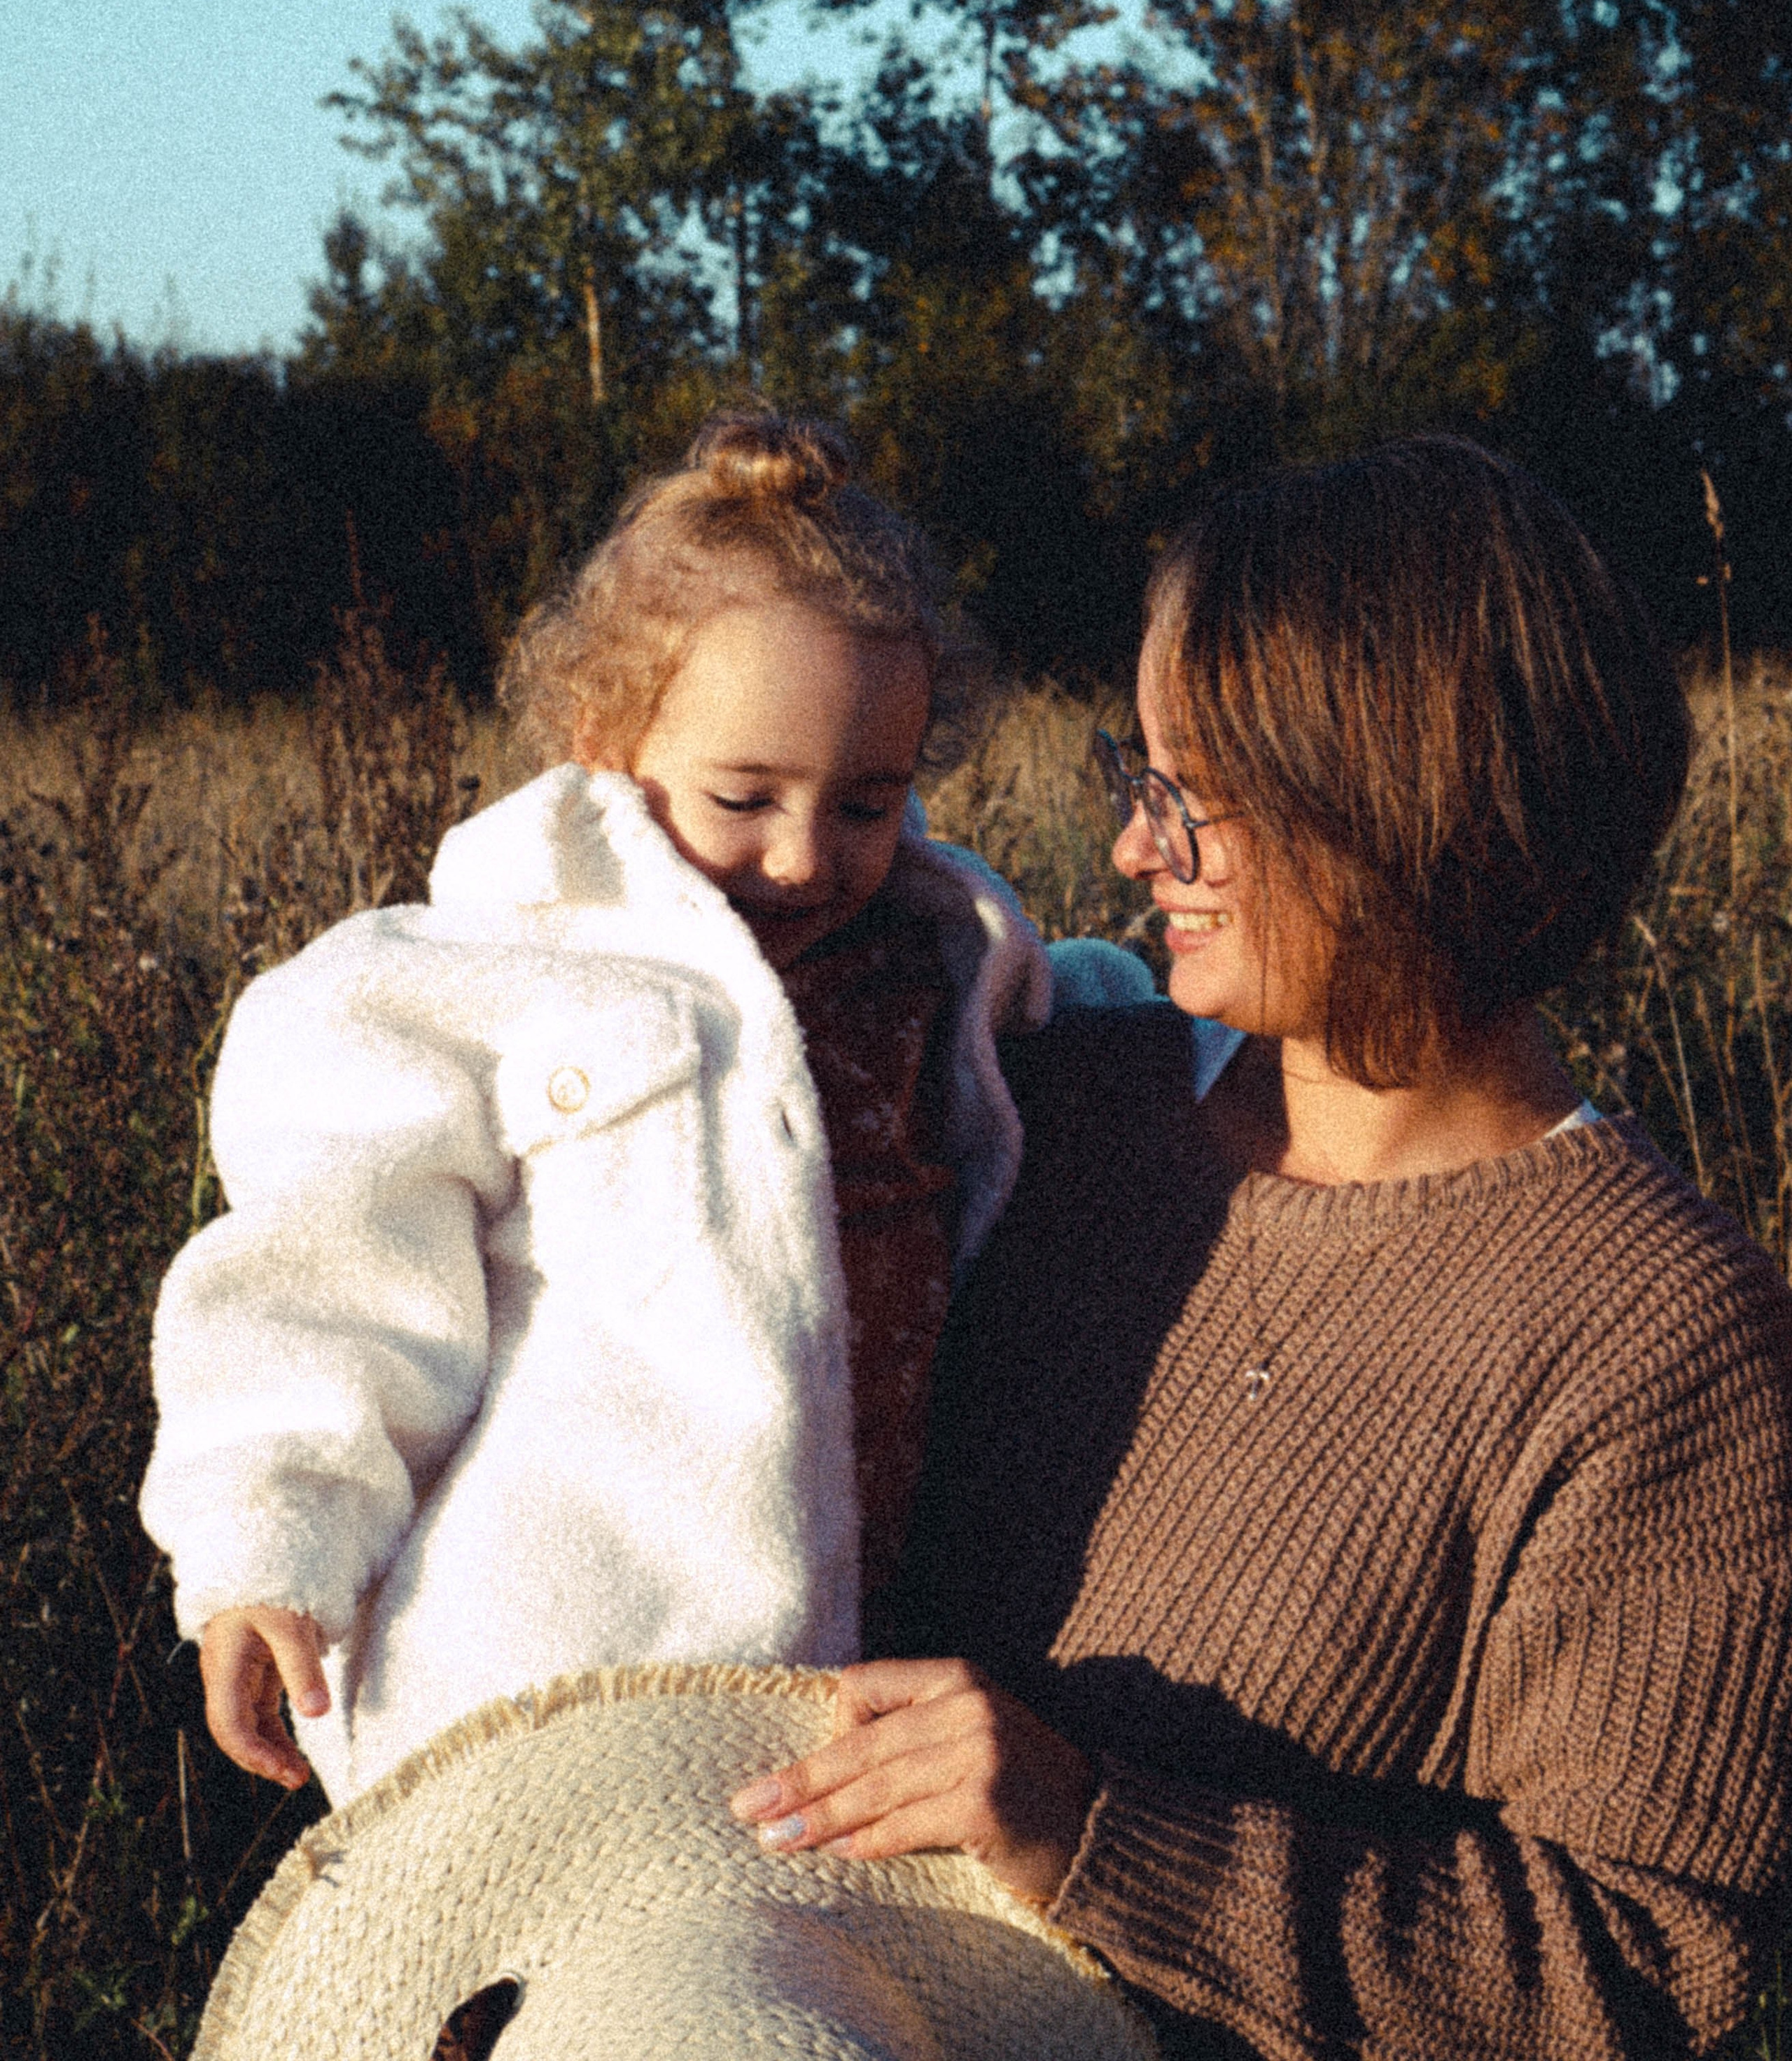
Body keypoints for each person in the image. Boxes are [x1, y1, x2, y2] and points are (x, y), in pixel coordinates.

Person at [729, 435, 1792, 2060]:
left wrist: (1099, 1834)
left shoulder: (1659, 1336)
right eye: (1133, 780)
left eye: (1187, 799)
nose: (1130, 855)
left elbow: (1642, 1974)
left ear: (1395, 809)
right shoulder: (1047, 1107)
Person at [139, 411, 1149, 1810]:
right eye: (743, 796)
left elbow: (1105, 1044)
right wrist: (268, 1549)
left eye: (869, 801)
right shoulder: (477, 983)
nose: (806, 857)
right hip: (552, 1670)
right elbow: (324, 1289)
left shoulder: (944, 954)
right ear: (603, 739)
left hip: (874, 1670)